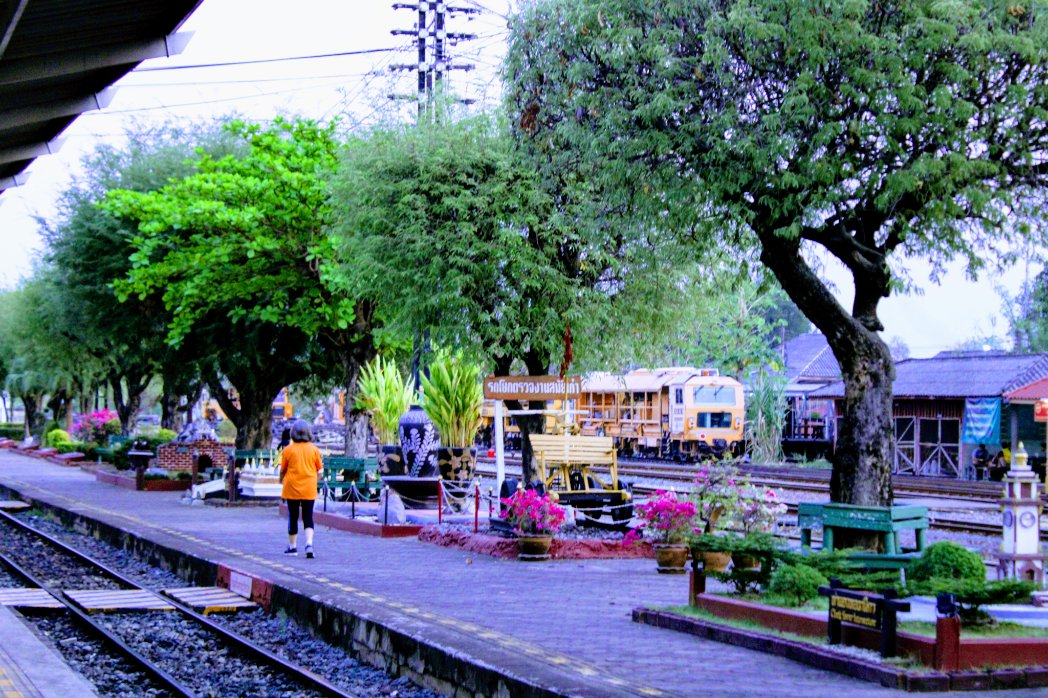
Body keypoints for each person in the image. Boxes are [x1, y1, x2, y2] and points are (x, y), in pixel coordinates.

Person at [279, 419, 322, 558]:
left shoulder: (287, 450)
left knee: (293, 516)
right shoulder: (314, 449)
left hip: (292, 487)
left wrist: (281, 480)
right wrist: (315, 479)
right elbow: (320, 471)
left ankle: (293, 547)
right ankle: (309, 544)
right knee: (308, 516)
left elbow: (283, 469)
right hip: (309, 487)